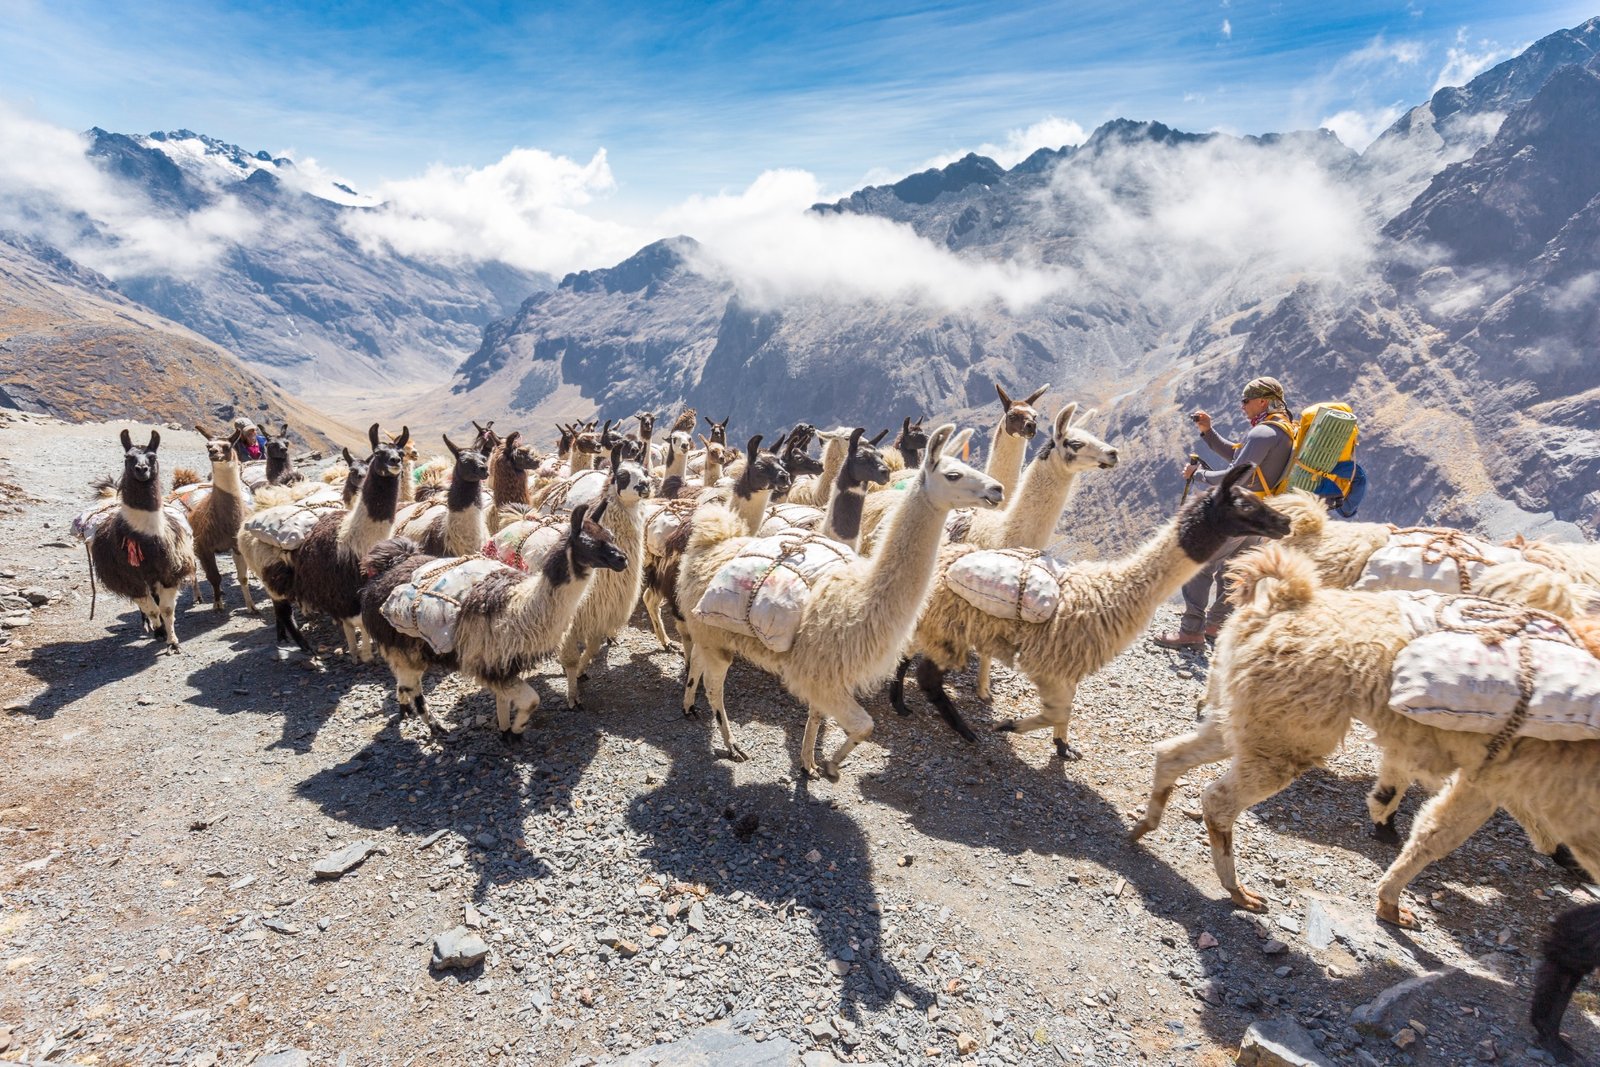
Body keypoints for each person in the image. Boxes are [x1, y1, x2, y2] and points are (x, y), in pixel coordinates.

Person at [1153, 376, 1294, 650]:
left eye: (1246, 401)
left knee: (1198, 563)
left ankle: (1191, 631)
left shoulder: (1262, 433)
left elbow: (1235, 475)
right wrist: (1208, 432)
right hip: (1259, 514)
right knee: (1233, 570)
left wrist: (1198, 474)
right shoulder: (1284, 430)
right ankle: (1216, 625)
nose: (1242, 406)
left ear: (1262, 401)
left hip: (1239, 513)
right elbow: (1239, 457)